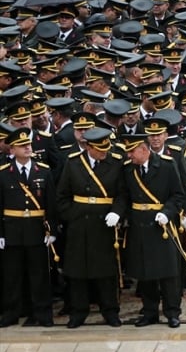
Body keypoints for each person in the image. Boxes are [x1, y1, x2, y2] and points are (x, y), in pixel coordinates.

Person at [55, 127, 127, 329]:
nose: (103, 153)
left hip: (104, 224)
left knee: (106, 271)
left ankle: (110, 310)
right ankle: (78, 312)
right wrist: (71, 216)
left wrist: (117, 212)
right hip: (79, 224)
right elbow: (62, 196)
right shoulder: (73, 163)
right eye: (99, 150)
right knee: (77, 271)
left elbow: (122, 194)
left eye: (106, 149)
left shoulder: (115, 162)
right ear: (88, 147)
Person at [120, 132, 186, 328]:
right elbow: (124, 195)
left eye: (132, 152)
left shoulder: (166, 165)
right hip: (139, 225)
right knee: (145, 271)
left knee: (168, 273)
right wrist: (119, 214)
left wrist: (167, 212)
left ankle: (172, 312)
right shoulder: (128, 169)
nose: (129, 156)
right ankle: (149, 312)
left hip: (161, 226)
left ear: (143, 149)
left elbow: (178, 195)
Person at [0, 127, 56, 328]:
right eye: (22, 146)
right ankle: (11, 313)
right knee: (12, 275)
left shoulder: (44, 170)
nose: (27, 148)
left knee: (39, 274)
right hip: (13, 229)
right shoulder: (4, 173)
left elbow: (51, 203)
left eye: (28, 144)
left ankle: (42, 313)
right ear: (12, 149)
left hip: (36, 229)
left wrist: (52, 231)